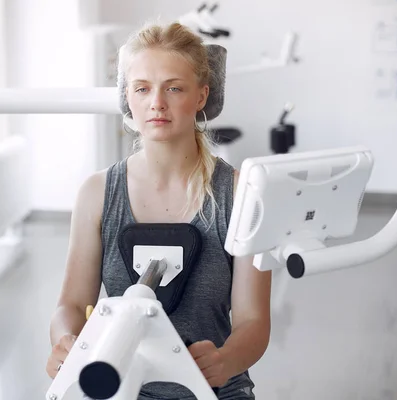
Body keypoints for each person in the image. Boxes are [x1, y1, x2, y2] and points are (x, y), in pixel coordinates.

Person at [46, 21, 272, 399]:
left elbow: (254, 321)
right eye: (142, 88)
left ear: (201, 96)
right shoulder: (97, 194)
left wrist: (226, 359)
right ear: (127, 97)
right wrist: (65, 341)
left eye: (174, 88)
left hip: (214, 391)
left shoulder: (242, 193)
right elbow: (71, 304)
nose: (157, 103)